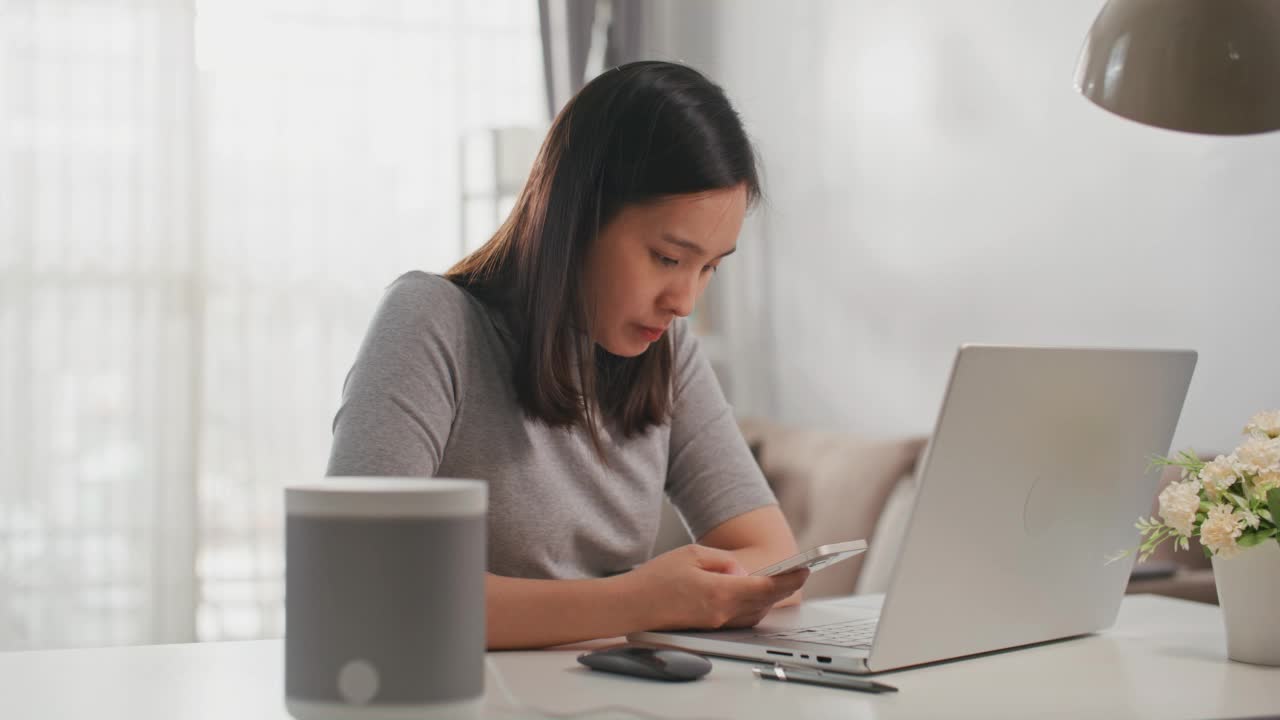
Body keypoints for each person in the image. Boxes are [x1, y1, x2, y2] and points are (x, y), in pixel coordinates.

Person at [327, 61, 807, 649]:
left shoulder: (666, 352)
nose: (684, 301)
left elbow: (775, 555)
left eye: (709, 267)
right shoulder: (432, 321)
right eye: (666, 258)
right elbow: (360, 583)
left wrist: (677, 598)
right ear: (577, 215)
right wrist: (638, 601)